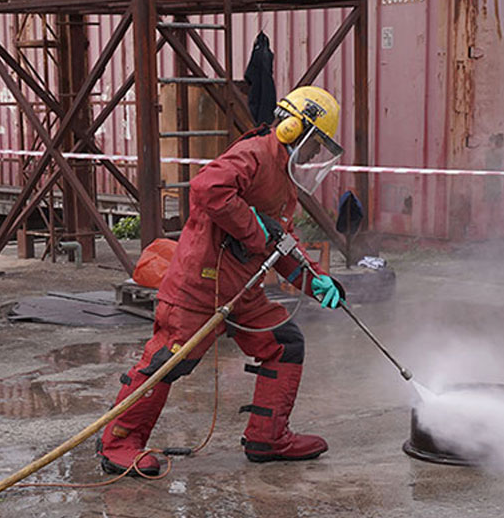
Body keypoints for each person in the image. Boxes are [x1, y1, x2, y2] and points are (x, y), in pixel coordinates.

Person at [98, 86, 347, 477]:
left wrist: (315, 280)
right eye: (315, 142)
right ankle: (119, 442)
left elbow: (280, 240)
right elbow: (207, 188)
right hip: (200, 285)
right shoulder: (254, 155)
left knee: (284, 342)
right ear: (294, 129)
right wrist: (254, 231)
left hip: (241, 290)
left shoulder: (282, 176)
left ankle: (268, 436)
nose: (316, 153)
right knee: (169, 362)